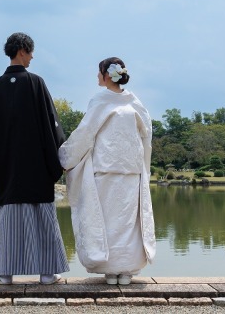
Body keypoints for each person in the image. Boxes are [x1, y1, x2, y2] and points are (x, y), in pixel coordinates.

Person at [0, 32, 70, 285]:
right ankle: (47, 273)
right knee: (42, 217)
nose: (32, 57)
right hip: (36, 167)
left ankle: (5, 273)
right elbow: (52, 125)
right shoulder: (36, 83)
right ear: (22, 50)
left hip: (7, 169)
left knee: (8, 220)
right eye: (31, 52)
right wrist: (58, 156)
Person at [58, 57, 156, 285]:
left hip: (105, 169)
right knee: (128, 222)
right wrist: (145, 167)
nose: (96, 77)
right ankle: (126, 271)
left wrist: (65, 157)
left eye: (98, 72)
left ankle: (111, 271)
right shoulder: (135, 103)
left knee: (107, 220)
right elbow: (146, 138)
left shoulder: (101, 101)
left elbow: (85, 133)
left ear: (105, 75)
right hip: (131, 170)